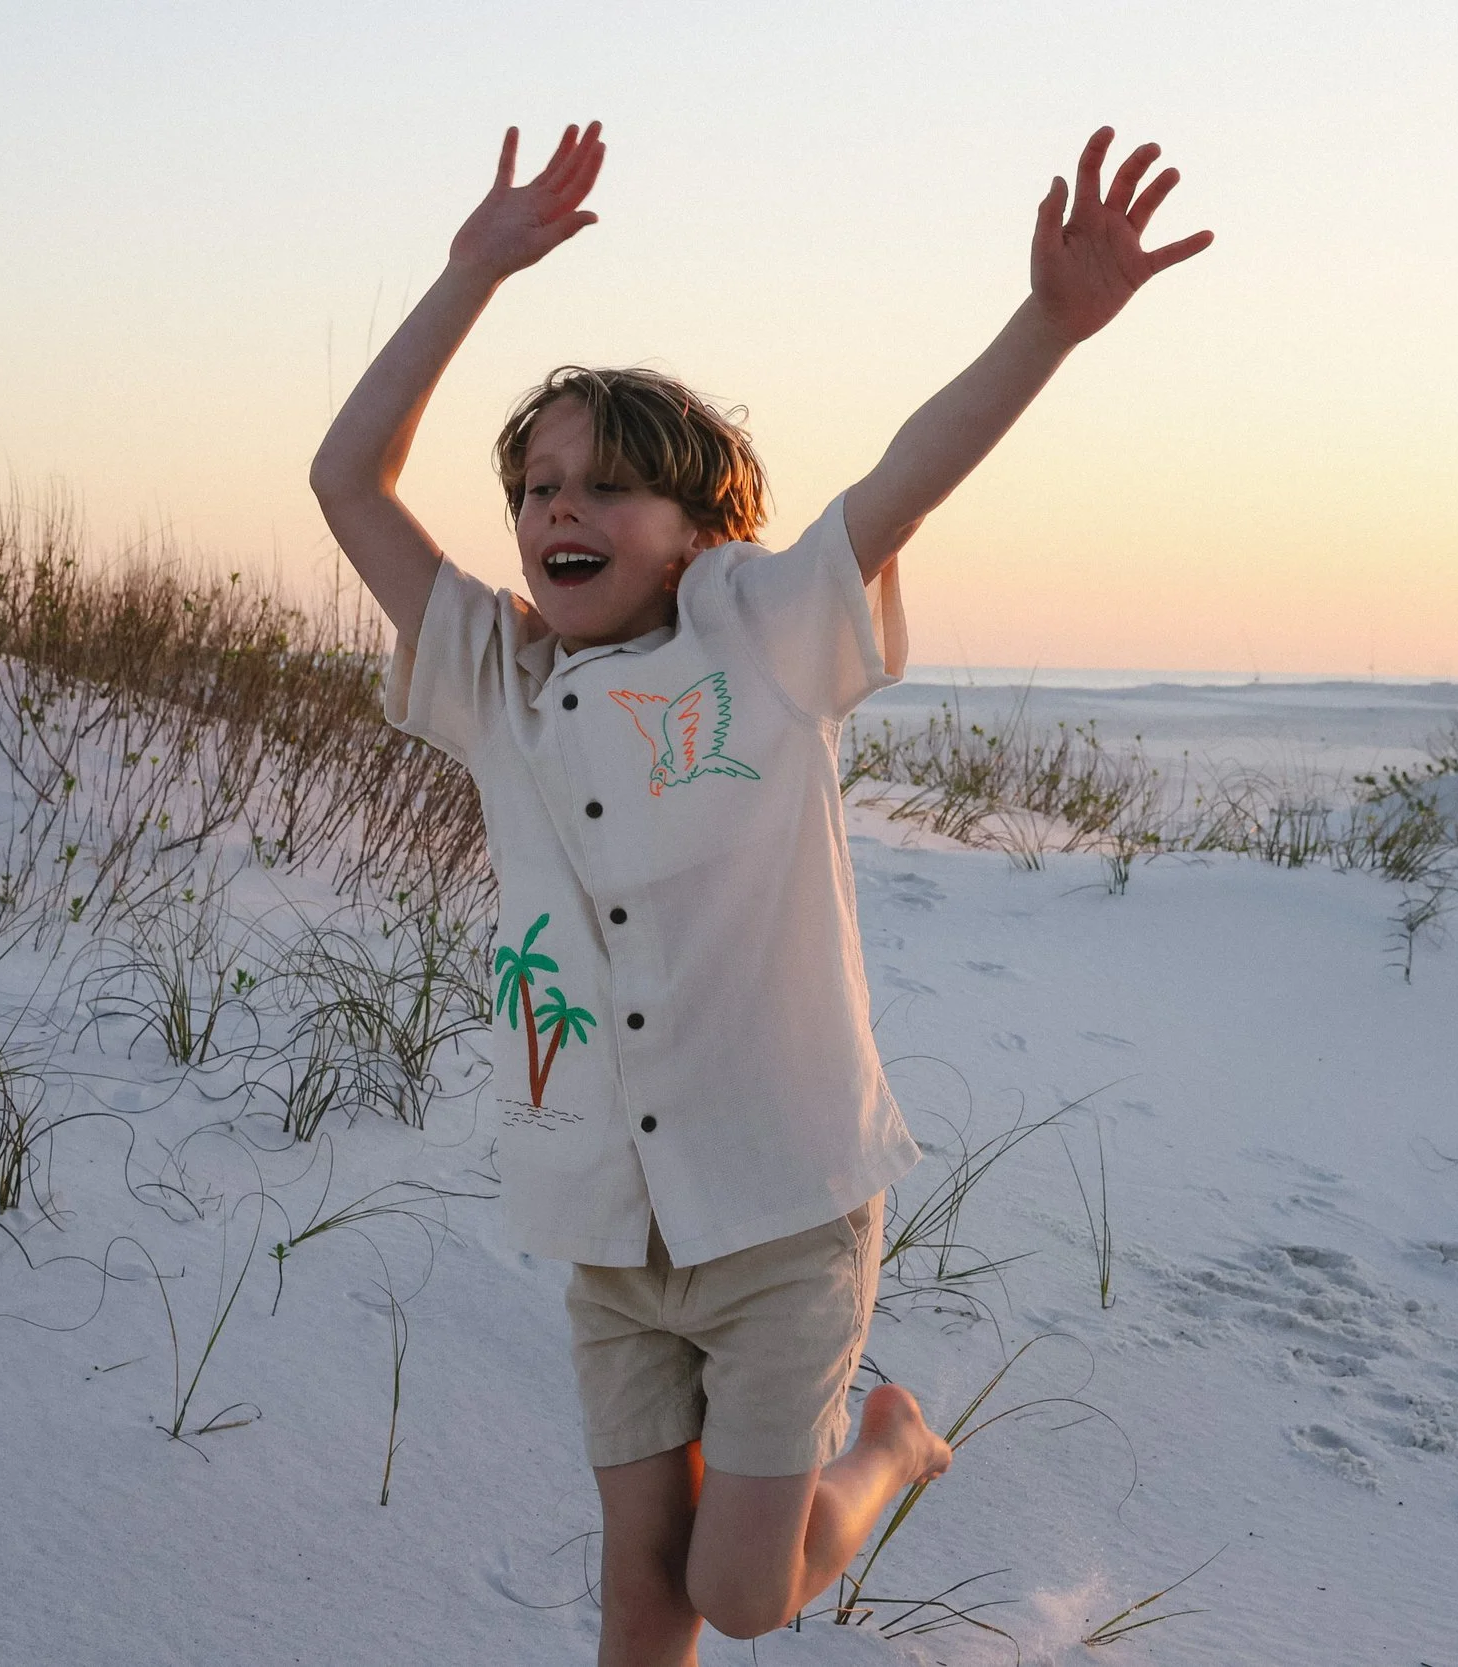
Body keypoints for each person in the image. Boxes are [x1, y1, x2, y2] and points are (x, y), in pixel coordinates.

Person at [310, 120, 1210, 1667]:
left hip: (785, 1207)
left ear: (705, 525)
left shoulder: (766, 639)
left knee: (740, 1590)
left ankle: (892, 1447)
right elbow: (346, 478)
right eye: (534, 488)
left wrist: (1047, 327)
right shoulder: (495, 682)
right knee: (638, 1597)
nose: (557, 514)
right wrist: (472, 273)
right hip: (610, 1220)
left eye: (605, 489)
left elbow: (899, 485)